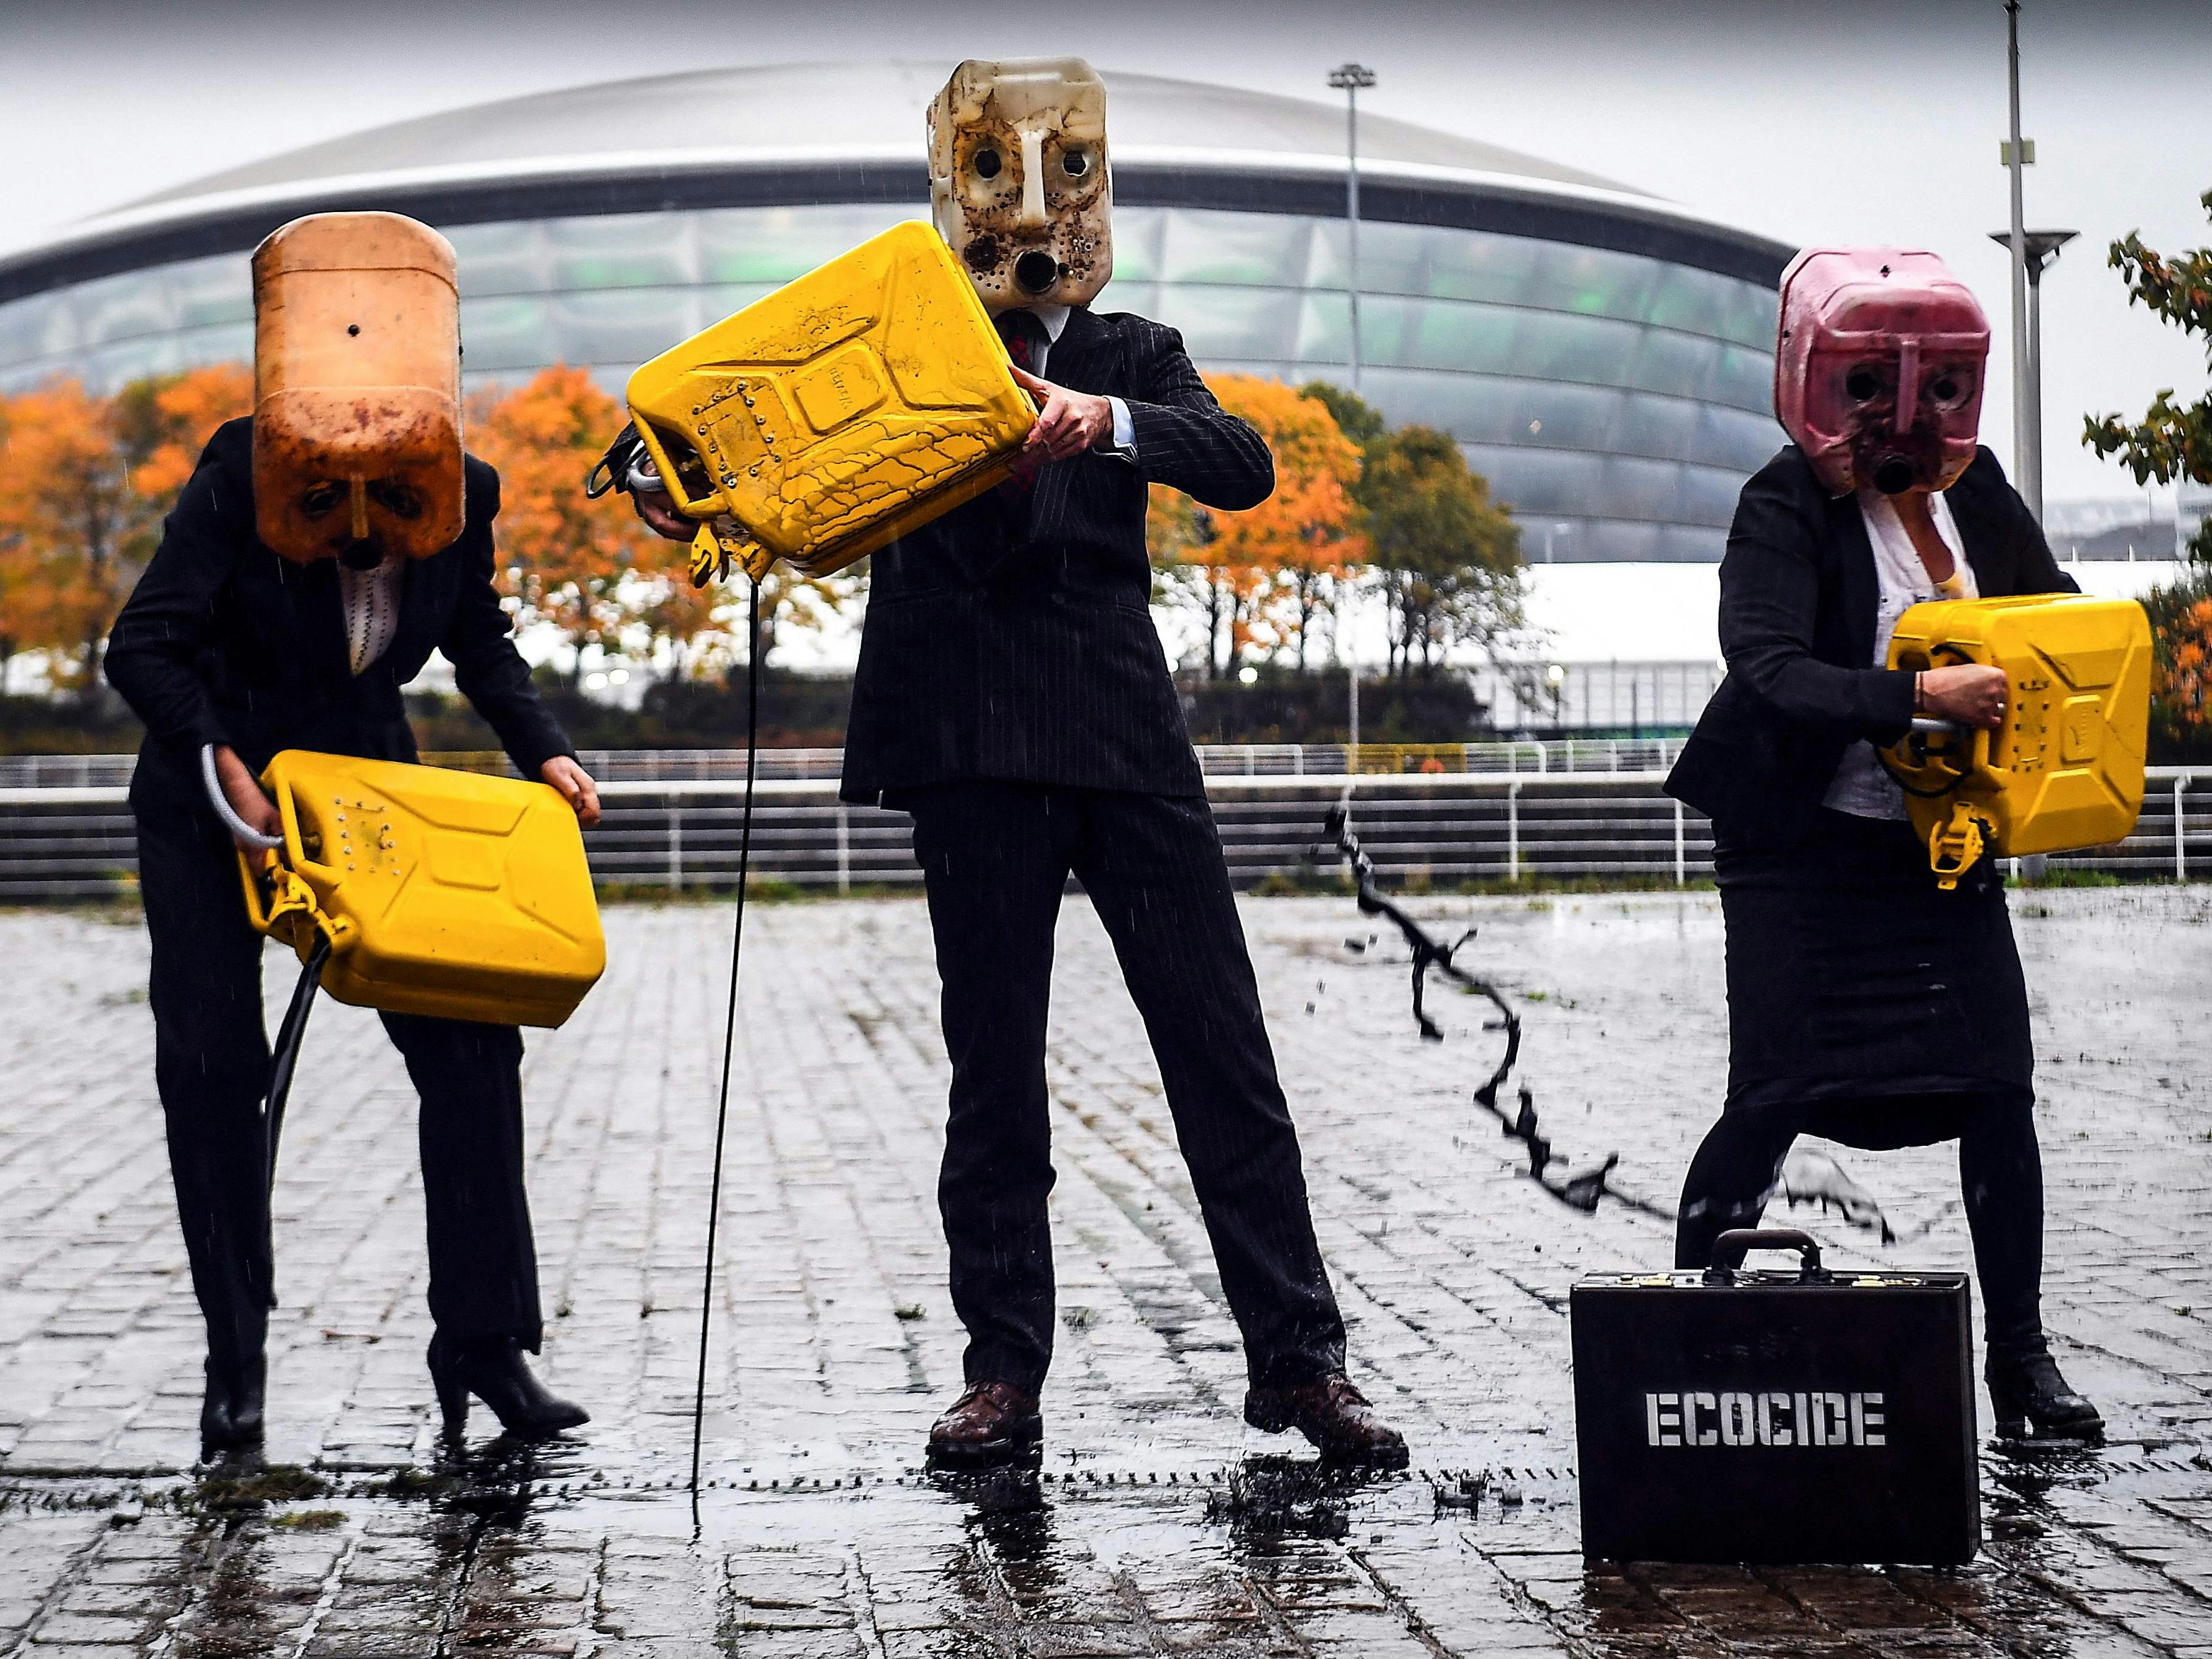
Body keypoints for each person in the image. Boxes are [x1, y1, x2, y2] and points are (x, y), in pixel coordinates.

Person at [623, 57, 1404, 1471]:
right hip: (968, 737)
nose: (1035, 219)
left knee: (1221, 1051)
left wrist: (1106, 424)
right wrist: (660, 473)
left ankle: (1299, 1361)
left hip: (1120, 733)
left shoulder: (1133, 350)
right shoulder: (890, 345)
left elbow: (1239, 464)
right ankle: (1002, 1375)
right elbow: (733, 448)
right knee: (995, 1075)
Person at [106, 211, 600, 1454]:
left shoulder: (463, 491)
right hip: (218, 797)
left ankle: (485, 1345)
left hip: (368, 800)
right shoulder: (238, 474)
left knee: (473, 1046)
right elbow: (144, 641)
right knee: (215, 1067)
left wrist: (540, 742)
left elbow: (475, 631)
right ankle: (236, 1355)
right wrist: (221, 754)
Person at [1665, 246, 2101, 1443]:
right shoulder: (1782, 504)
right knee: (1775, 1091)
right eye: (1869, 391)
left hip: (1941, 851)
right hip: (1798, 851)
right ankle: (1697, 1344)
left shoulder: (1979, 492)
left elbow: (2049, 615)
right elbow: (1767, 668)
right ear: (1821, 383)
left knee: (1996, 1092)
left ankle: (2022, 1366)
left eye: (1929, 393)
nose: (1900, 420)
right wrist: (1923, 697)